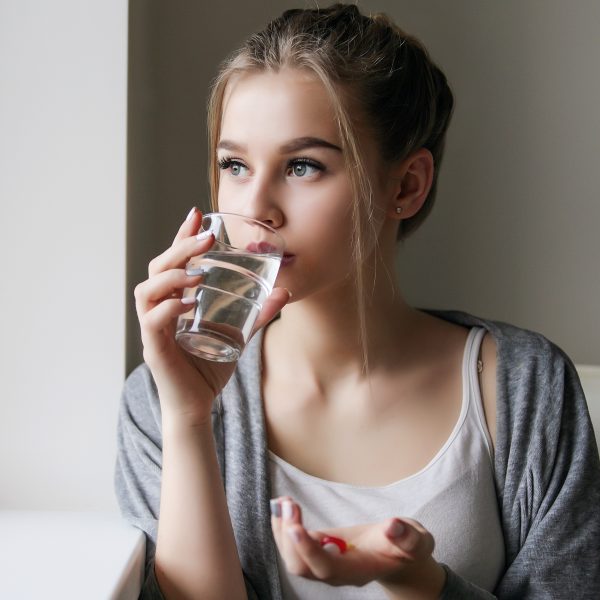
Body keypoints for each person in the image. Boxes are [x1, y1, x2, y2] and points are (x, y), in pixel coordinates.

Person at [115, 4, 600, 599]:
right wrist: (188, 420)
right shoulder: (158, 398)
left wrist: (420, 585)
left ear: (406, 186)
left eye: (302, 165)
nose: (258, 206)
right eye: (235, 164)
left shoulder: (528, 387)